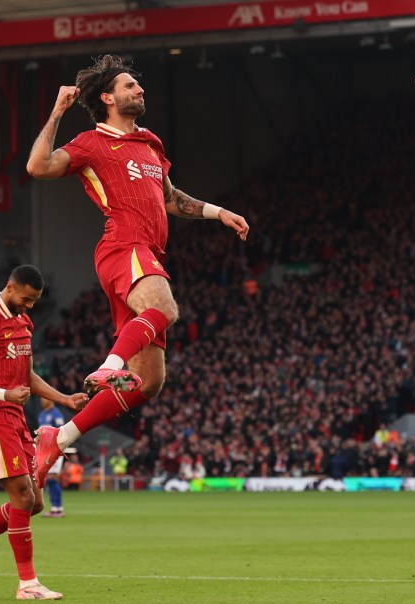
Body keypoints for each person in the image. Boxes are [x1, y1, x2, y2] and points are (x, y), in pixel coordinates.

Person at [25, 54, 250, 486]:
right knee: (166, 307)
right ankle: (110, 364)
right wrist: (57, 112)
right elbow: (37, 166)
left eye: (138, 85)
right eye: (130, 86)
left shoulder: (151, 143)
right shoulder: (91, 143)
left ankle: (59, 436)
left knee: (149, 382)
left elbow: (170, 199)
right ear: (108, 98)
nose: (140, 90)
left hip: (149, 253)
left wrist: (218, 212)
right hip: (123, 244)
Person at [0, 265, 87, 601]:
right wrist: (5, 394)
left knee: (34, 502)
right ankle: (27, 584)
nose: (30, 305)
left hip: (16, 416)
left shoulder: (24, 322)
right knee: (23, 497)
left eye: (35, 301)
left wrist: (63, 398)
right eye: (26, 298)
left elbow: (27, 375)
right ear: (10, 288)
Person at [37, 398, 66, 518]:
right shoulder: (42, 414)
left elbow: (62, 431)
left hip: (55, 449)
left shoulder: (56, 414)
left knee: (53, 478)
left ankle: (58, 509)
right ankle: (55, 509)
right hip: (45, 450)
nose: (42, 401)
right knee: (49, 479)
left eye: (44, 399)